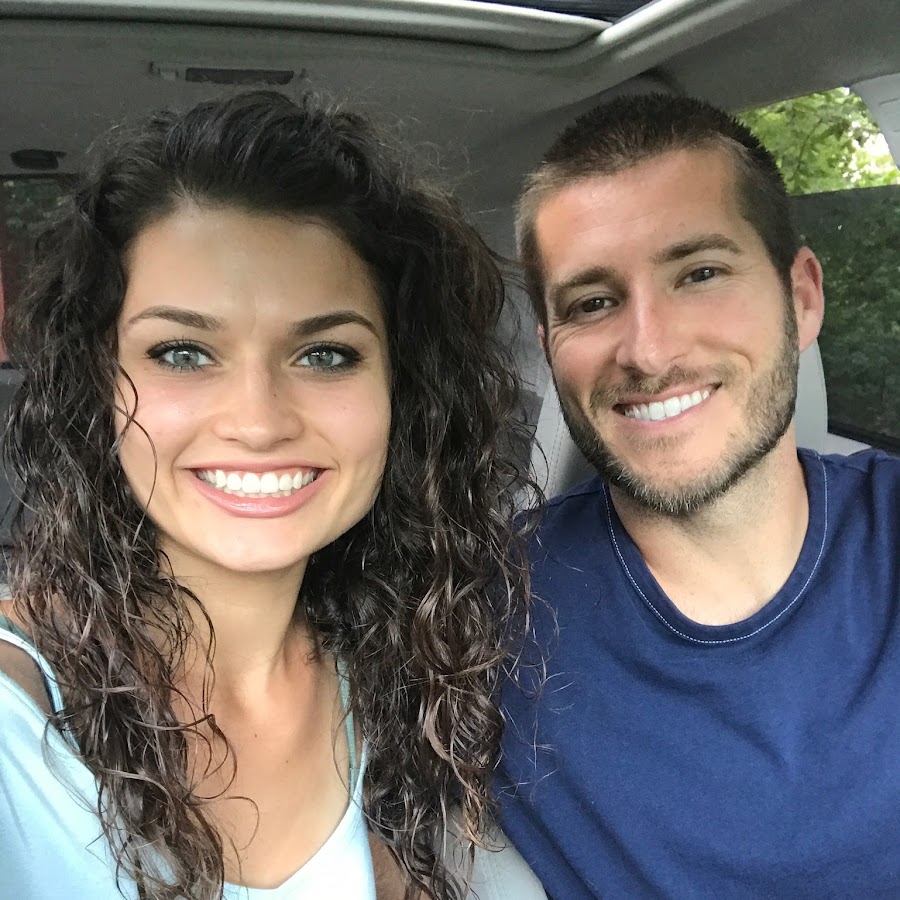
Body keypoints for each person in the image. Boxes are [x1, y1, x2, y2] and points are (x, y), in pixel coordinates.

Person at [0, 90, 538, 900]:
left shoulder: (402, 676)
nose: (257, 422)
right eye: (183, 352)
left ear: (403, 391)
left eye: (325, 355)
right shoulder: (16, 709)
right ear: (98, 383)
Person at [496, 92, 900, 899]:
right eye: (593, 303)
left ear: (802, 298)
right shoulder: (476, 614)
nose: (649, 352)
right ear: (549, 348)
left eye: (701, 273)